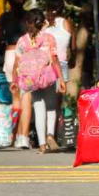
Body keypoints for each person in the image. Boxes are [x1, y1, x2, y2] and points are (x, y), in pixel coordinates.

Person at [10, 9, 66, 153]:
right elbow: (54, 59)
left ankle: (41, 146)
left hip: (31, 80)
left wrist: (14, 81)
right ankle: (50, 136)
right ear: (42, 22)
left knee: (38, 109)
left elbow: (17, 62)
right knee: (51, 107)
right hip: (47, 77)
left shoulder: (22, 40)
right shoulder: (49, 38)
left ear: (27, 23)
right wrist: (61, 78)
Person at [0, 0, 31, 148]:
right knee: (27, 97)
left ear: (9, 2)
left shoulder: (4, 18)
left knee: (15, 98)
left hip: (10, 56)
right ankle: (24, 137)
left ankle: (13, 135)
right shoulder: (30, 17)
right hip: (27, 56)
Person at [45, 0, 75, 147]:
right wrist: (73, 58)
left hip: (45, 65)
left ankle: (46, 134)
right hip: (61, 64)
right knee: (58, 102)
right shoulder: (67, 23)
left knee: (45, 101)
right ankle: (55, 135)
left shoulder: (44, 24)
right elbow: (73, 46)